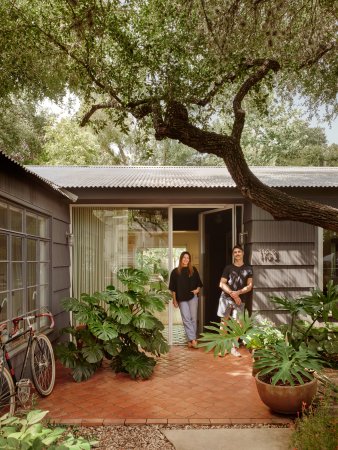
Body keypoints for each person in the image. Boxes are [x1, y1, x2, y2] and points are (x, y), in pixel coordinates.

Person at [218, 244, 253, 357]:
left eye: (239, 251)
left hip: (239, 299)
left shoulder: (248, 268)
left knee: (239, 324)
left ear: (243, 253)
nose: (237, 253)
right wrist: (233, 294)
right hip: (226, 298)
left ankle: (232, 347)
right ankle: (223, 347)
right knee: (224, 322)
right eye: (235, 252)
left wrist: (239, 293)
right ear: (233, 255)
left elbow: (250, 285)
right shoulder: (228, 268)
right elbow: (221, 283)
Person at [169, 251, 203, 348]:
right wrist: (174, 300)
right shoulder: (175, 272)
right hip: (181, 299)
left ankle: (190, 340)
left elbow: (199, 283)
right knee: (186, 319)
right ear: (181, 259)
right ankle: (193, 339)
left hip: (193, 297)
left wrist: (197, 290)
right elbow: (173, 288)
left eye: (188, 258)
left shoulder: (193, 270)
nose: (186, 259)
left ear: (189, 260)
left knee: (193, 318)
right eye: (184, 257)